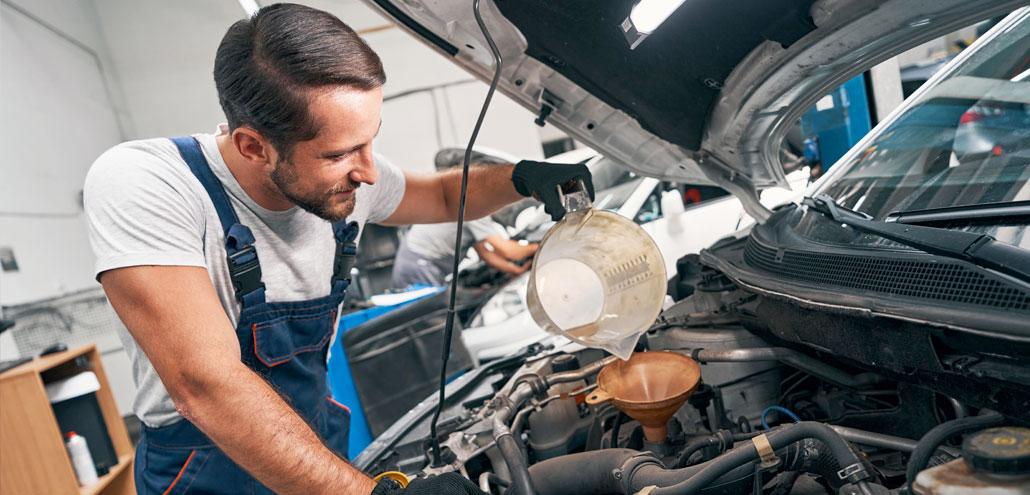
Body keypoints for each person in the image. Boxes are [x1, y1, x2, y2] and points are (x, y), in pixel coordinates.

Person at [83, 4, 591, 495]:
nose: (368, 172)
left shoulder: (348, 177)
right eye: (340, 153)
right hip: (209, 470)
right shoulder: (148, 183)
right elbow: (206, 387)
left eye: (370, 141)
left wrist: (522, 177)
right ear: (253, 146)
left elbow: (438, 194)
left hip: (312, 443)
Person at [391, 216, 538, 288]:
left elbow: (485, 253)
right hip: (418, 265)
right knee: (436, 317)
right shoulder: (475, 210)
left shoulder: (468, 202)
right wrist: (540, 246)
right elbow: (510, 251)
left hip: (411, 259)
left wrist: (515, 270)